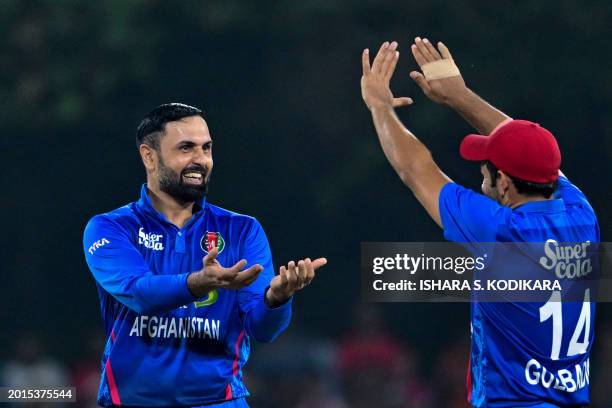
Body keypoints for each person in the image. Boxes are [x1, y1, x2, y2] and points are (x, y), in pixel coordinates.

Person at [360, 38, 598, 407]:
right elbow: (525, 143)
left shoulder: (500, 232)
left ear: (504, 183)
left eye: (485, 171)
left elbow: (416, 169)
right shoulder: (582, 215)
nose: (481, 179)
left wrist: (379, 107)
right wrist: (459, 95)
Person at [83, 103, 327, 407]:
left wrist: (276, 300)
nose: (201, 160)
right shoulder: (110, 228)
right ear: (149, 156)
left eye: (206, 148)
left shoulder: (242, 230)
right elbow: (139, 293)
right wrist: (199, 282)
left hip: (219, 402)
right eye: (186, 148)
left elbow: (262, 330)